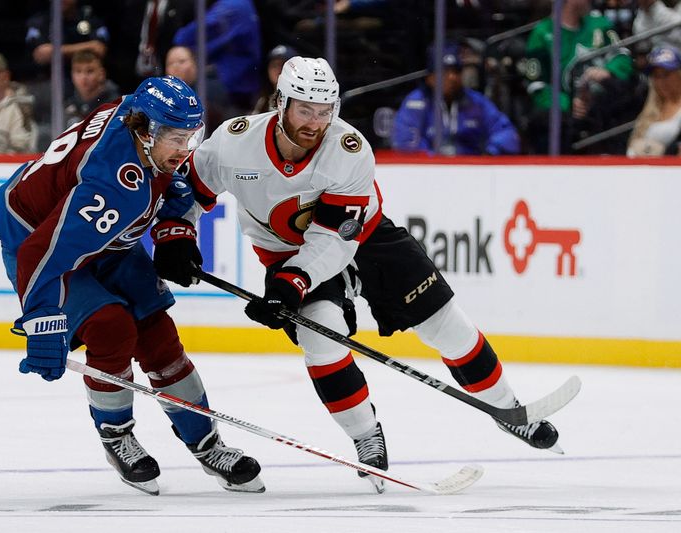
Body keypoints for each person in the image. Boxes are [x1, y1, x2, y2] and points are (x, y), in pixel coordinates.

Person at [152, 56, 562, 493]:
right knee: (320, 338)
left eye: (324, 110)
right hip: (285, 251)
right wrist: (176, 235)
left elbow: (334, 239)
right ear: (281, 103)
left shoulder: (348, 149)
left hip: (365, 239)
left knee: (448, 326)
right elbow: (184, 191)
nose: (315, 122)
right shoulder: (235, 143)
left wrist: (293, 282)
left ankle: (510, 411)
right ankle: (367, 437)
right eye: (305, 109)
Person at [0, 76, 264, 495]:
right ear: (146, 131)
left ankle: (206, 443)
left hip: (106, 238)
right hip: (38, 239)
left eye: (192, 137)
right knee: (111, 328)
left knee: (158, 336)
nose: (185, 149)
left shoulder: (135, 112)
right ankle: (117, 435)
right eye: (176, 139)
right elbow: (40, 255)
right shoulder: (112, 186)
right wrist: (41, 320)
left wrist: (174, 233)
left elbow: (174, 180)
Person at [524, 0, 635, 153]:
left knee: (625, 96)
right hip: (566, 111)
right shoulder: (542, 33)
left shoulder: (599, 24)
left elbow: (622, 55)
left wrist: (608, 71)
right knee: (543, 120)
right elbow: (537, 85)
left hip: (603, 102)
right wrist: (568, 104)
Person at [391, 42, 520, 155]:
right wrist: (435, 161)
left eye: (457, 71)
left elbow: (508, 135)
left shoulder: (476, 102)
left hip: (471, 171)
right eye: (445, 71)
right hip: (428, 173)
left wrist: (489, 154)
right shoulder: (416, 102)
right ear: (429, 77)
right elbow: (404, 143)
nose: (452, 77)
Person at [172, 0, 262, 112]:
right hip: (239, 84)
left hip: (233, 87)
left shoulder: (233, 5)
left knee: (181, 97)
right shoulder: (239, 4)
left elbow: (185, 37)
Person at [628, 44, 681, 156]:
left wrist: (664, 152)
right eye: (656, 76)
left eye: (666, 75)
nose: (661, 82)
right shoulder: (649, 109)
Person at [64, 50, 120, 128]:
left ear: (101, 74)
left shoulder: (114, 105)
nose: (84, 77)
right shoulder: (68, 105)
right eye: (78, 71)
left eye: (90, 71)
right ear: (72, 75)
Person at [251, 44, 297, 114]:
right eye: (274, 65)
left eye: (283, 65)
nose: (278, 70)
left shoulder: (300, 101)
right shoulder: (263, 101)